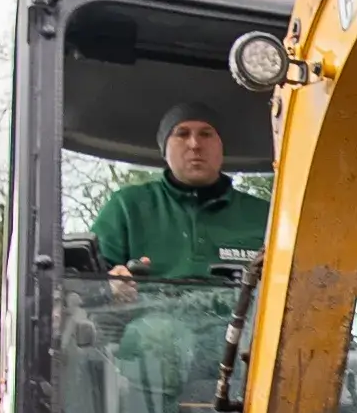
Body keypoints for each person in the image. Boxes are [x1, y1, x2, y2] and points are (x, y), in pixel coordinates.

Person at [89, 106, 267, 302]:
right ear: (164, 150)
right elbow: (84, 282)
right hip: (151, 325)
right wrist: (110, 285)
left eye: (206, 134)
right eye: (182, 134)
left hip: (248, 327)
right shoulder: (127, 206)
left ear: (221, 147)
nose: (195, 144)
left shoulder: (267, 217)